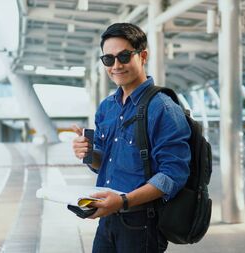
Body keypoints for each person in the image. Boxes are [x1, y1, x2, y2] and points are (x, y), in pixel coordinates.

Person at [72, 23, 191, 253]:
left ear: (142, 56)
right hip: (107, 218)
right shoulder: (107, 107)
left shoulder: (163, 108)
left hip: (142, 224)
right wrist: (88, 154)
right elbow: (104, 163)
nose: (116, 65)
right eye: (108, 59)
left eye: (124, 56)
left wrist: (124, 201)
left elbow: (173, 175)